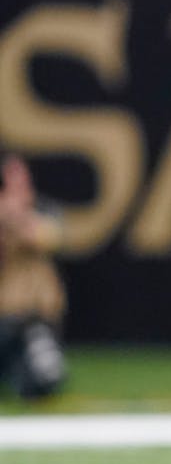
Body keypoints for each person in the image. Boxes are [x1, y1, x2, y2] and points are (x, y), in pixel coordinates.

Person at [0, 150, 68, 401]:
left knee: (41, 378)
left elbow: (49, 238)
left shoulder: (43, 209)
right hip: (3, 320)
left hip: (34, 321)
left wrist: (13, 215)